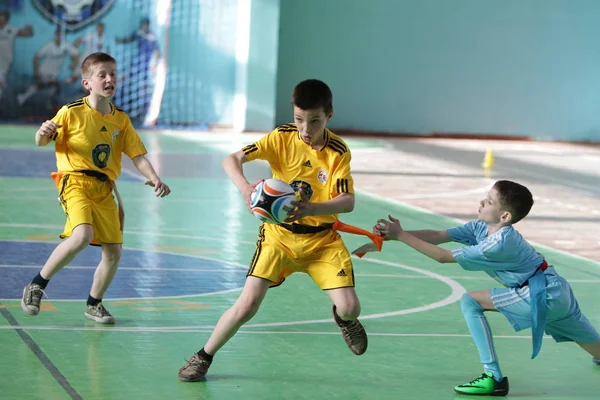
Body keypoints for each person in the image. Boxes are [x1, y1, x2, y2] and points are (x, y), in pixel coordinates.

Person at [178, 79, 368, 382]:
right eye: (299, 119)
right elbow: (232, 159)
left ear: (329, 116)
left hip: (322, 242)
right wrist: (244, 188)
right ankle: (203, 356)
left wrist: (311, 209)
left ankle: (344, 320)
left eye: (314, 121)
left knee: (349, 308)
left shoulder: (337, 152)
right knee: (248, 304)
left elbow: (347, 202)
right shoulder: (281, 138)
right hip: (279, 238)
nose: (305, 129)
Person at [370, 180, 600, 396]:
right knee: (585, 338)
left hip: (538, 294)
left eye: (489, 201)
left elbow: (442, 256)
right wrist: (396, 236)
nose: (482, 202)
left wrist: (401, 235)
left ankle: (493, 377)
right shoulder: (480, 227)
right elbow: (439, 236)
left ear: (505, 215)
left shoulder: (497, 244)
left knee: (471, 301)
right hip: (557, 290)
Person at [20, 52, 171, 324]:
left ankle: (94, 304)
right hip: (74, 181)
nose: (109, 79)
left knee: (114, 252)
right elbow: (42, 140)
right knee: (81, 236)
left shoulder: (120, 120)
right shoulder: (71, 112)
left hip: (105, 188)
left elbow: (137, 156)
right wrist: (42, 133)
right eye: (102, 75)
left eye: (113, 74)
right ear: (87, 82)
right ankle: (36, 285)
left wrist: (155, 177)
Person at [17, 26, 79, 110]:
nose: (59, 37)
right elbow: (36, 57)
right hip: (44, 70)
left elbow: (75, 54)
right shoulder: (49, 46)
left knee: (52, 88)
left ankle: (47, 103)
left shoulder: (65, 45)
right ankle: (23, 97)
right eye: (58, 35)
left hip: (55, 72)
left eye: (61, 35)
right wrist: (36, 70)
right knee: (43, 85)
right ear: (55, 35)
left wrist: (73, 65)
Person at [0, 10, 33, 101]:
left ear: (6, 20)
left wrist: (29, 29)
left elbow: (28, 34)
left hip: (5, 61)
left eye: (2, 19)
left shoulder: (12, 29)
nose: (1, 21)